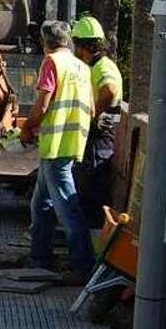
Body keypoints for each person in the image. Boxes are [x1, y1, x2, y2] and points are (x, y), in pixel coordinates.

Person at [20, 20, 95, 281]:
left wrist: (27, 127)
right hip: (73, 141)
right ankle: (39, 258)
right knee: (41, 204)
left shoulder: (52, 62)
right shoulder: (82, 67)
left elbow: (42, 104)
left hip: (56, 145)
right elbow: (92, 109)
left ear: (45, 42)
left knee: (67, 207)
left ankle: (84, 266)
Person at [71, 16, 123, 229]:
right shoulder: (95, 66)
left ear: (81, 45)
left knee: (92, 192)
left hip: (99, 141)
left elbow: (109, 91)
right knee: (87, 190)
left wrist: (92, 114)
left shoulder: (102, 67)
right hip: (97, 140)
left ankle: (92, 244)